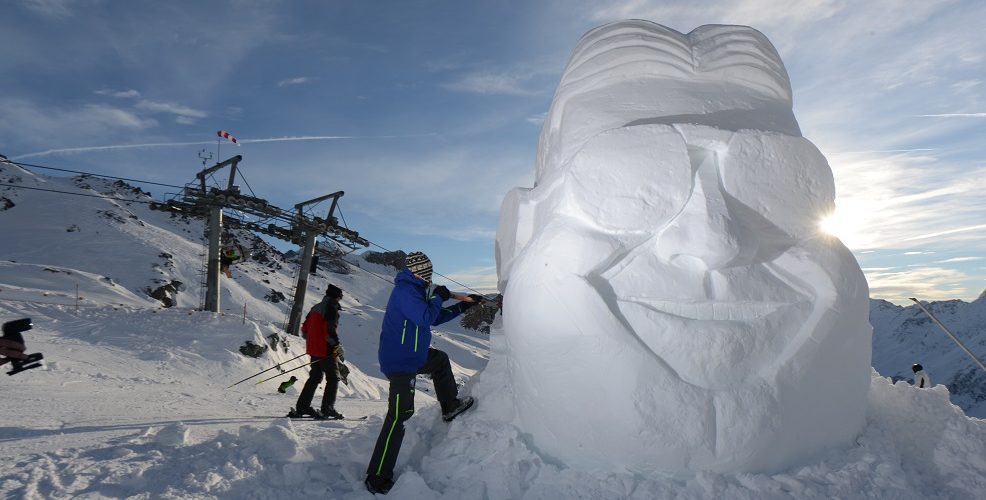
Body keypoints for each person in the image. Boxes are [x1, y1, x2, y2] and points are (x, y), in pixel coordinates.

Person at [364, 251, 481, 495]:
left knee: (439, 360)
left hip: (412, 357)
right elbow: (425, 316)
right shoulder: (406, 291)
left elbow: (436, 317)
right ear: (417, 272)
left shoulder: (416, 289)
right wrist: (439, 295)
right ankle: (376, 477)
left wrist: (462, 305)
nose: (429, 275)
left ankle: (449, 406)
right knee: (399, 416)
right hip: (400, 363)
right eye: (426, 272)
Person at [287, 284, 345, 419]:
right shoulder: (331, 308)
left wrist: (313, 342)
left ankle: (302, 407)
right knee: (333, 378)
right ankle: (327, 409)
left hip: (313, 349)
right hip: (326, 350)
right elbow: (329, 330)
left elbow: (305, 329)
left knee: (315, 378)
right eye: (340, 298)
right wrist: (336, 345)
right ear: (336, 297)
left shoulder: (315, 308)